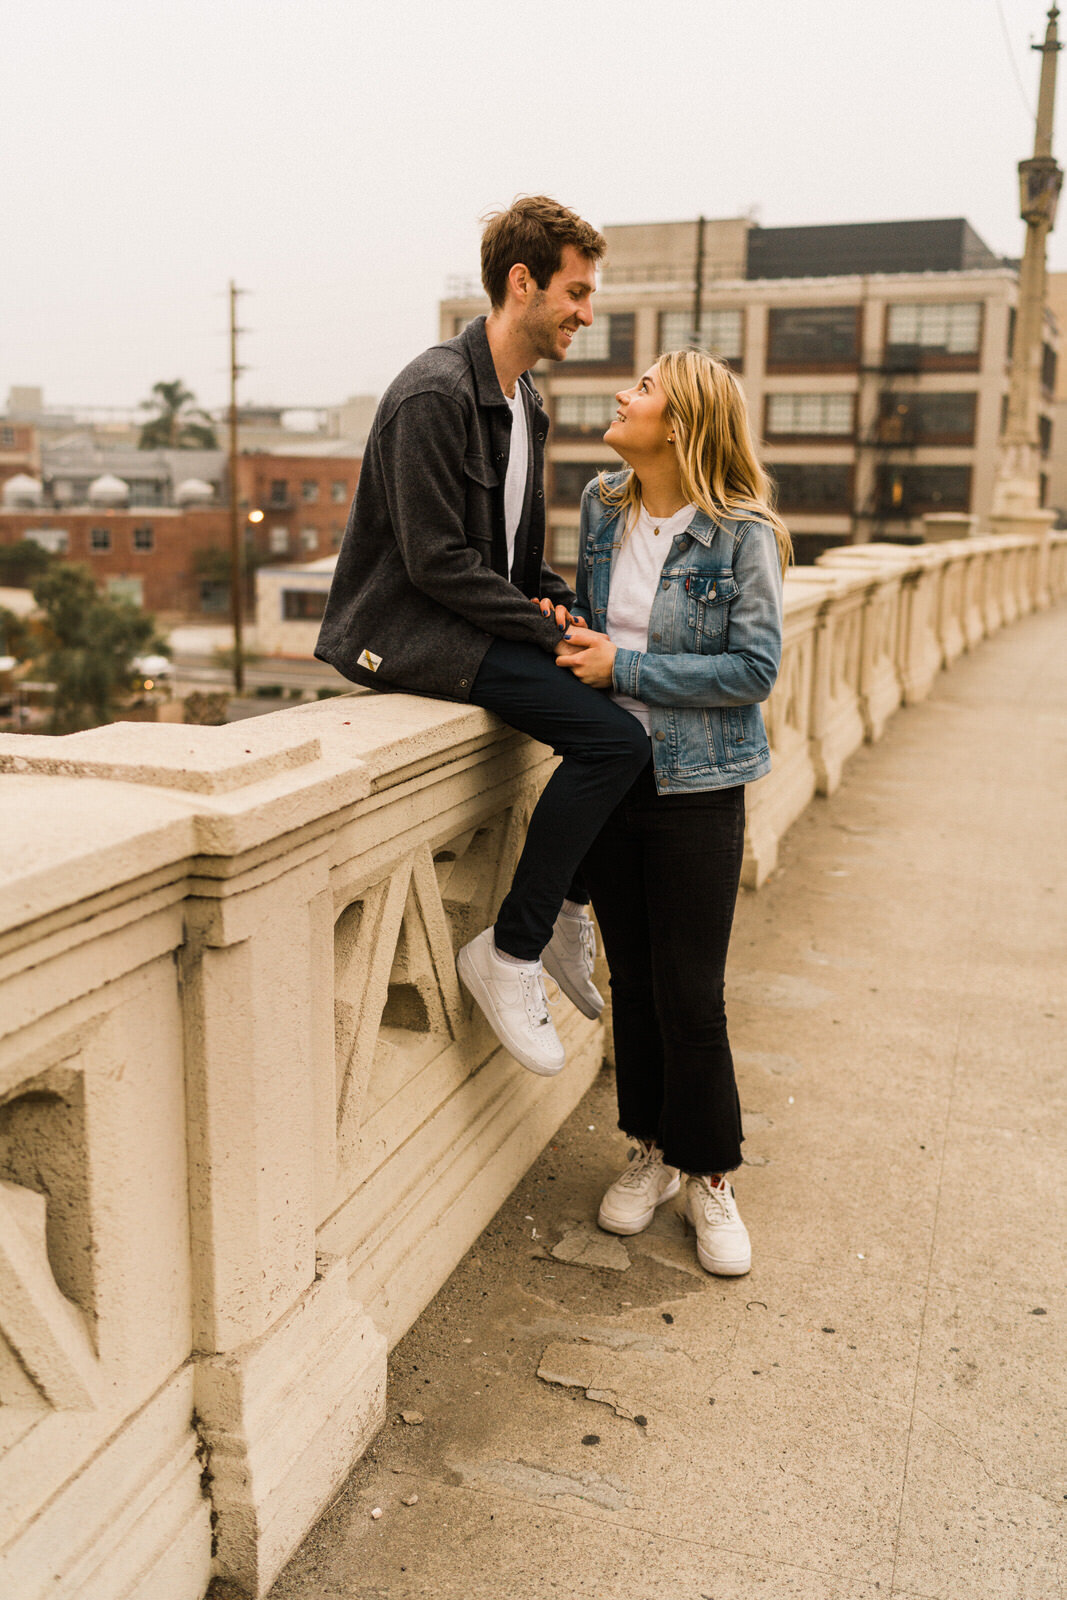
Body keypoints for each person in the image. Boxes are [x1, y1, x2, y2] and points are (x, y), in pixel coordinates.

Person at [315, 197, 650, 1079]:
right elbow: (435, 565)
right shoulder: (433, 393)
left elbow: (514, 561)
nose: (586, 311)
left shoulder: (524, 404)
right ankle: (510, 953)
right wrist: (544, 636)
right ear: (520, 282)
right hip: (413, 634)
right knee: (612, 741)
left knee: (634, 707)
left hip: (474, 623)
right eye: (575, 292)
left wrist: (561, 608)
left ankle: (571, 911)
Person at [555, 349, 791, 1276]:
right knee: (637, 983)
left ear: (683, 425)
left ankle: (711, 1172)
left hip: (700, 786)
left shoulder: (742, 535)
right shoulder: (602, 506)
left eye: (643, 389)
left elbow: (754, 670)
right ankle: (649, 1149)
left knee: (692, 992)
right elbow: (586, 615)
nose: (623, 395)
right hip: (612, 778)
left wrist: (628, 672)